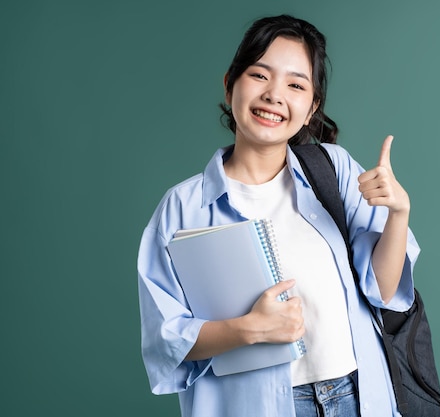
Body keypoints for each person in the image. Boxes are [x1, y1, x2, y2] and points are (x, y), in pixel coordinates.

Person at [137, 14, 420, 417]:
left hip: (358, 396)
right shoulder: (184, 207)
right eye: (259, 75)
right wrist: (249, 329)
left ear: (311, 109)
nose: (274, 95)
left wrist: (398, 214)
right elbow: (165, 338)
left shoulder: (334, 171)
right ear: (229, 84)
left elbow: (384, 289)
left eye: (295, 85)